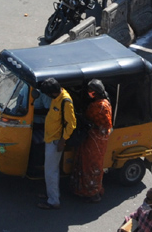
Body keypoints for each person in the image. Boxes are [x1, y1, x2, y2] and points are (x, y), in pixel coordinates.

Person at [37, 77, 75, 209]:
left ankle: (53, 201)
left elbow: (71, 125)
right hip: (49, 138)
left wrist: (62, 141)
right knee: (50, 170)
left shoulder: (65, 102)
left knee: (51, 172)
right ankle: (51, 194)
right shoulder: (56, 98)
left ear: (52, 93)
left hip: (55, 141)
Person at [73, 79, 113, 203]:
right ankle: (84, 189)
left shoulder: (100, 106)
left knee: (91, 165)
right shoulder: (104, 102)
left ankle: (91, 191)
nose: (89, 93)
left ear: (95, 92)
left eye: (91, 91)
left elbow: (104, 124)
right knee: (87, 163)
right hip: (96, 138)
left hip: (95, 139)